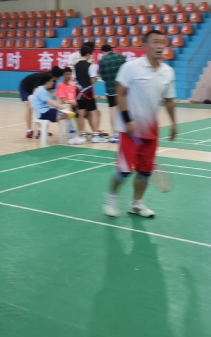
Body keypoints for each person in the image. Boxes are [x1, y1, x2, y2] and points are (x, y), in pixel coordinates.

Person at [103, 30, 177, 219]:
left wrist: (174, 123)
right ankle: (111, 196)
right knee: (124, 170)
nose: (160, 46)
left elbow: (169, 100)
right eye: (155, 42)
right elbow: (120, 94)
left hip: (150, 131)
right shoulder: (131, 67)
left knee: (145, 171)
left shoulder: (168, 72)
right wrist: (127, 120)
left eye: (162, 42)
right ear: (145, 45)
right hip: (130, 130)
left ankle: (136, 204)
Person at [30, 73, 78, 142]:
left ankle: (72, 137)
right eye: (52, 81)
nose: (53, 83)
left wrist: (65, 106)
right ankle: (72, 138)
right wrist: (63, 107)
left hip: (48, 111)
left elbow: (52, 104)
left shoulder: (44, 90)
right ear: (47, 81)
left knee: (68, 109)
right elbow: (51, 103)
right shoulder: (41, 90)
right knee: (68, 114)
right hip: (43, 114)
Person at [19, 67, 64, 139]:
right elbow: (35, 92)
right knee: (30, 108)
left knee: (47, 108)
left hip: (35, 90)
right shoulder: (43, 78)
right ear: (55, 76)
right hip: (25, 88)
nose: (58, 79)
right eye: (59, 77)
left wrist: (56, 102)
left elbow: (49, 93)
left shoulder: (52, 81)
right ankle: (29, 131)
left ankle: (41, 130)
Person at [75, 44, 105, 143]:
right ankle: (95, 135)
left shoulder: (76, 65)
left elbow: (74, 79)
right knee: (93, 111)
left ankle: (82, 134)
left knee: (81, 113)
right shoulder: (90, 66)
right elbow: (92, 80)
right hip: (88, 92)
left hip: (78, 92)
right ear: (88, 54)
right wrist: (95, 79)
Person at [98, 44, 126, 144]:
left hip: (110, 89)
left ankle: (115, 135)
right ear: (111, 50)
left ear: (103, 52)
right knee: (124, 109)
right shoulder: (121, 57)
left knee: (113, 110)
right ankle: (125, 133)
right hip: (123, 88)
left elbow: (103, 77)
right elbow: (127, 71)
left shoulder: (102, 61)